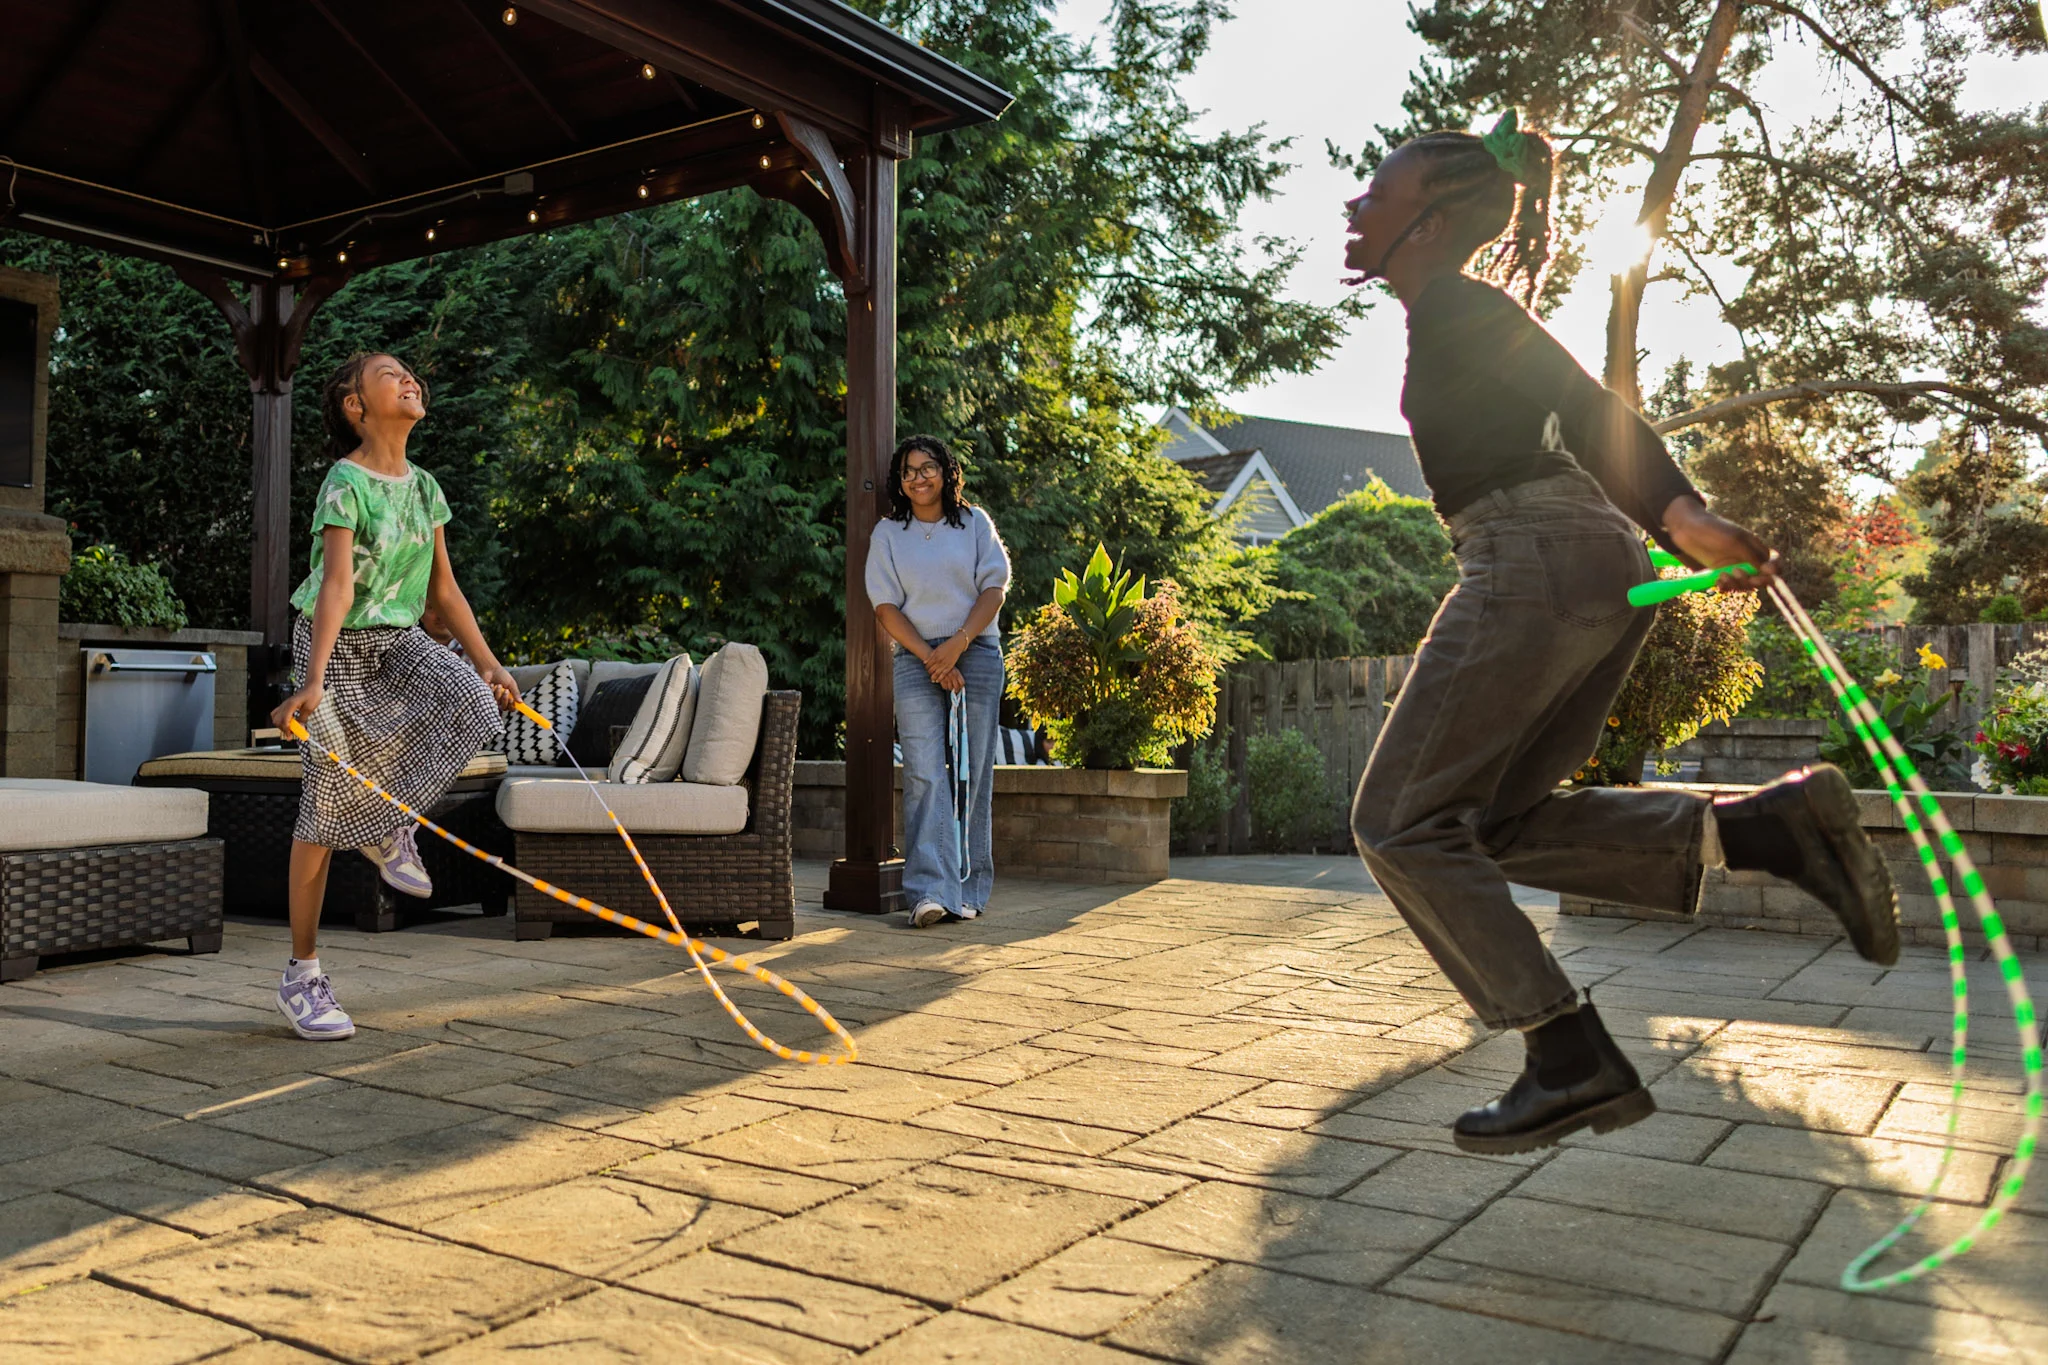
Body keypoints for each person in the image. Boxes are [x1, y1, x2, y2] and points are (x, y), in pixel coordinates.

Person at [1341, 114, 1899, 1154]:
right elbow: (1580, 408)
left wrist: (1681, 515)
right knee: (1490, 824)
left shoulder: (1461, 307)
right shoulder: (1450, 313)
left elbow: (1583, 403)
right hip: (1583, 559)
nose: (1354, 208)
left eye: (1374, 195)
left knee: (1398, 822)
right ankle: (1762, 831)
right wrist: (1665, 523)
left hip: (1534, 553)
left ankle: (1565, 1058)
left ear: (1425, 220)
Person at [268, 353, 518, 1041]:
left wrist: (490, 662)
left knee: (471, 700)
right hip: (337, 645)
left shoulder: (426, 488)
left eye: (411, 374)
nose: (409, 379)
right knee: (322, 805)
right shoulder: (345, 482)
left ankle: (385, 821)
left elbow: (443, 592)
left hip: (399, 642)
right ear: (356, 405)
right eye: (389, 374)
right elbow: (337, 586)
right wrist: (312, 680)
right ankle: (303, 972)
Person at [866, 435, 1011, 928]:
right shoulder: (888, 534)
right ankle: (930, 892)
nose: (918, 477)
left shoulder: (974, 523)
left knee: (971, 774)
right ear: (899, 482)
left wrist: (959, 645)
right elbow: (885, 606)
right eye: (908, 471)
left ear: (947, 473)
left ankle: (967, 888)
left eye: (927, 467)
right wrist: (932, 657)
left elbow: (995, 587)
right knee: (924, 771)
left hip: (976, 652)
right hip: (916, 658)